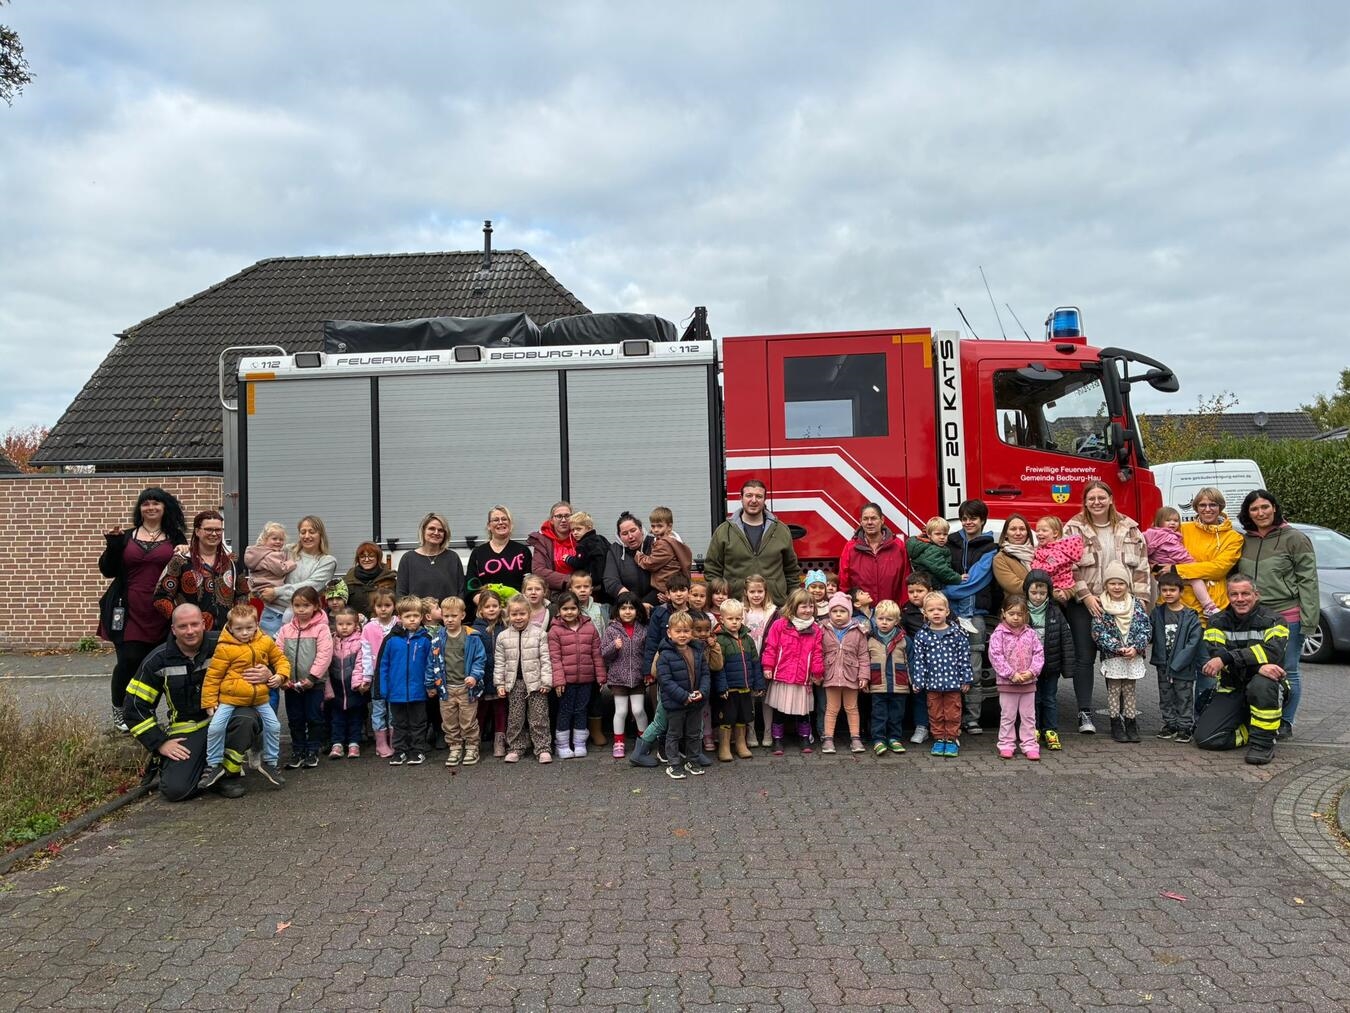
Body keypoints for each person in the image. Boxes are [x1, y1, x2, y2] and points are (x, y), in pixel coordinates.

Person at [123, 604, 275, 801]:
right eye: (183, 626)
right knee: (176, 790)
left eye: (194, 624)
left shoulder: (226, 643)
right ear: (173, 629)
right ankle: (202, 767)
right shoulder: (157, 660)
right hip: (188, 729)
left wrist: (269, 673)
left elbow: (267, 652)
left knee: (247, 718)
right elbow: (134, 707)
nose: (190, 631)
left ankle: (227, 775)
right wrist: (160, 743)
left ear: (204, 623)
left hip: (227, 719)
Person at [1061, 482, 1149, 735]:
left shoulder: (1130, 527)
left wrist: (1140, 602)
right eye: (1092, 498)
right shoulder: (1073, 528)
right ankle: (1085, 712)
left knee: (1121, 656)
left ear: (1111, 499)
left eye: (1102, 497)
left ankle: (1122, 715)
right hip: (1087, 603)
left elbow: (1142, 566)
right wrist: (1086, 595)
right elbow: (1069, 566)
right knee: (1084, 658)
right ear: (1085, 502)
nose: (1097, 502)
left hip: (1124, 604)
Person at [100, 486, 188, 732]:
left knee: (158, 666)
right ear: (140, 509)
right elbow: (108, 571)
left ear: (164, 507)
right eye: (145, 503)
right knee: (128, 661)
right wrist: (114, 545)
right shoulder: (127, 536)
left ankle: (143, 713)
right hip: (129, 609)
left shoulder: (176, 537)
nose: (150, 507)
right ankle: (120, 711)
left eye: (156, 503)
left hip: (162, 609)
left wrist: (184, 550)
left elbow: (185, 569)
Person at [1235, 488, 1319, 738]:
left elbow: (1308, 580)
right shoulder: (1244, 540)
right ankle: (1259, 717)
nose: (1260, 513)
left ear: (1274, 508)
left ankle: (1286, 721)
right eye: (1254, 509)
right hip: (1253, 616)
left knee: (1288, 669)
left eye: (1265, 507)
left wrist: (1309, 620)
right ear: (1247, 513)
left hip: (1287, 615)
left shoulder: (1295, 538)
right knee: (1255, 667)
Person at [1195, 574, 1289, 765]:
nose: (1240, 599)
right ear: (1228, 596)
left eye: (1245, 593)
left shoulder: (1275, 621)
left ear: (1256, 595)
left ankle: (1262, 744)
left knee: (1263, 683)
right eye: (1234, 594)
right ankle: (1250, 727)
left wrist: (1228, 658)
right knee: (1206, 739)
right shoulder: (1216, 622)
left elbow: (1273, 653)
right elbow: (1216, 655)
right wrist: (1256, 666)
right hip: (1232, 687)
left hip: (1267, 688)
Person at [197, 603, 289, 790]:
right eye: (239, 629)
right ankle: (214, 765)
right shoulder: (225, 648)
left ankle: (270, 762)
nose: (245, 633)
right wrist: (209, 702)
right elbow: (213, 676)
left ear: (257, 625)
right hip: (230, 699)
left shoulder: (265, 641)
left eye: (249, 628)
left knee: (274, 726)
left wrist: (280, 676)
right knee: (215, 727)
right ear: (230, 627)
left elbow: (281, 659)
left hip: (260, 698)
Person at [944, 499, 1000, 736]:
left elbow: (976, 582)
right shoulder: (949, 543)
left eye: (973, 518)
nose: (968, 522)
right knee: (946, 670)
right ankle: (951, 720)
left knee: (974, 672)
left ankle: (972, 720)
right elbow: (937, 572)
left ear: (982, 520)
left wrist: (946, 590)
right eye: (965, 517)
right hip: (949, 615)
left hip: (975, 615)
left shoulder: (991, 548)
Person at [703, 479, 801, 601]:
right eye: (749, 495)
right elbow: (712, 569)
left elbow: (791, 571)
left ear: (764, 499)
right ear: (741, 498)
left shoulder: (781, 530)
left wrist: (792, 602)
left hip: (775, 605)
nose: (753, 500)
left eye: (759, 496)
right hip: (735, 608)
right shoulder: (724, 531)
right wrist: (721, 599)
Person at [1090, 562, 1151, 743]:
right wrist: (1116, 648)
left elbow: (1145, 628)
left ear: (1127, 585)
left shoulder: (1136, 604)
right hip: (1114, 656)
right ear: (1106, 585)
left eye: (1121, 583)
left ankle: (1131, 723)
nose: (1117, 587)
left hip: (1132, 654)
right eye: (1112, 583)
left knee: (1130, 690)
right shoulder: (1100, 604)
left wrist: (1136, 647)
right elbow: (1098, 631)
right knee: (1114, 690)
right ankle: (1115, 723)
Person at [908, 591, 974, 758]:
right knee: (935, 712)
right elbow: (919, 661)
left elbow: (964, 658)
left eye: (939, 609)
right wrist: (918, 681)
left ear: (947, 611)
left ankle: (951, 738)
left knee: (952, 712)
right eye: (931, 610)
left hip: (953, 683)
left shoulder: (958, 633)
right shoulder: (922, 635)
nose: (936, 613)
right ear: (924, 613)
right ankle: (939, 738)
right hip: (932, 684)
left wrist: (966, 678)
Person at [761, 588, 824, 756]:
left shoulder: (816, 629)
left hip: (802, 677)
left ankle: (804, 737)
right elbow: (771, 647)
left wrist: (817, 672)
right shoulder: (780, 625)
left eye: (811, 606)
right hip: (782, 675)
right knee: (779, 711)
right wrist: (768, 666)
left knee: (803, 711)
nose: (808, 610)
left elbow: (817, 653)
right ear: (793, 607)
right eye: (803, 606)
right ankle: (777, 739)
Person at [276, 586, 333, 768]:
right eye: (297, 605)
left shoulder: (322, 629)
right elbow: (277, 653)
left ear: (316, 606)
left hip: (313, 684)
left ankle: (312, 750)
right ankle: (297, 750)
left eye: (306, 605)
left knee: (314, 717)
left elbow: (324, 654)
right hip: (291, 685)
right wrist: (283, 677)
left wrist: (312, 677)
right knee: (295, 718)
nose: (301, 609)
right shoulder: (286, 630)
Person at [376, 596, 435, 766]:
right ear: (400, 617)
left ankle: (417, 750)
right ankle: (400, 750)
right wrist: (383, 689)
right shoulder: (391, 639)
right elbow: (383, 665)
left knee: (418, 722)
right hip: (396, 691)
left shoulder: (426, 640)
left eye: (416, 616)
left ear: (421, 617)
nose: (412, 619)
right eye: (408, 616)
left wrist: (430, 685)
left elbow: (431, 664)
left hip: (418, 690)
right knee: (399, 723)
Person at [547, 590, 606, 759]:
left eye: (573, 608)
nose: (569, 612)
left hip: (586, 679)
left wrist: (601, 676)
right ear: (559, 610)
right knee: (565, 711)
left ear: (579, 609)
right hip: (566, 680)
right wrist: (558, 681)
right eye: (565, 609)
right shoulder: (555, 631)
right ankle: (563, 744)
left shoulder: (589, 627)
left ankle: (579, 742)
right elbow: (555, 658)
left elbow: (597, 653)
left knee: (581, 710)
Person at [427, 596, 485, 767]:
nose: (450, 620)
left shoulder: (471, 636)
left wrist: (474, 676)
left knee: (468, 721)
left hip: (467, 688)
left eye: (453, 616)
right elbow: (432, 662)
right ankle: (455, 747)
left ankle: (472, 746)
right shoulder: (438, 637)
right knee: (449, 721)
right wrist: (430, 684)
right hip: (446, 689)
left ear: (462, 615)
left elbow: (479, 659)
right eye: (446, 616)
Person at [496, 595, 554, 764]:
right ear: (508, 615)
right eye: (514, 614)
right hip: (514, 684)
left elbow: (545, 659)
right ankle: (515, 747)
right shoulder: (503, 637)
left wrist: (546, 682)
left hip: (536, 684)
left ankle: (543, 748)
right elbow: (500, 663)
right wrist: (500, 683)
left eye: (522, 613)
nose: (518, 617)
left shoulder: (539, 634)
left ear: (529, 614)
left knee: (539, 718)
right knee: (515, 718)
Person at [1170, 489, 1244, 621]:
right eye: (1202, 505)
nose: (1208, 509)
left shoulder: (1234, 537)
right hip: (1179, 606)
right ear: (1196, 508)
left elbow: (1218, 569)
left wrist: (1177, 570)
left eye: (1213, 505)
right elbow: (1162, 555)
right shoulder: (1182, 529)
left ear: (1220, 507)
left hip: (1214, 608)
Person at [1022, 570, 1074, 752]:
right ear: (1026, 591)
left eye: (1042, 593)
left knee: (1050, 698)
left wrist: (1068, 667)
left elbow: (1065, 639)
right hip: (1028, 667)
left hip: (1051, 665)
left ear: (1048, 593)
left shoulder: (1055, 611)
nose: (1038, 597)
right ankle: (1033, 729)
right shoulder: (1021, 610)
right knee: (1033, 699)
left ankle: (1051, 730)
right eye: (1034, 593)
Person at [655, 611, 710, 780]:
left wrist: (702, 692)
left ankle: (692, 760)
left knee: (694, 733)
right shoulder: (665, 655)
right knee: (674, 734)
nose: (682, 635)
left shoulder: (698, 652)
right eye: (678, 631)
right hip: (676, 703)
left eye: (686, 631)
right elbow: (665, 680)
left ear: (691, 632)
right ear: (669, 632)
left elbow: (706, 675)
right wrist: (683, 696)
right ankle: (673, 764)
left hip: (696, 702)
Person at [988, 596, 1043, 761]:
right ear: (1004, 613)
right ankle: (1006, 744)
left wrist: (1032, 671)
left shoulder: (1031, 634)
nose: (1016, 617)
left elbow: (1039, 654)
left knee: (1028, 716)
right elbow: (996, 656)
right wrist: (1011, 674)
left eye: (1020, 614)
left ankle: (1030, 745)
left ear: (1026, 615)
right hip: (1007, 683)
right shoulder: (998, 634)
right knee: (1008, 716)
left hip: (1028, 683)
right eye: (1012, 613)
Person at [1150, 572, 1203, 743]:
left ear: (1181, 592)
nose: (1168, 593)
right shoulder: (1157, 613)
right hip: (1163, 664)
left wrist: (1179, 663)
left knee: (1184, 696)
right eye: (1164, 590)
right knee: (1165, 695)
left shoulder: (1190, 616)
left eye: (1172, 590)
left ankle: (1185, 726)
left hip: (1183, 666)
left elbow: (1193, 642)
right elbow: (1148, 633)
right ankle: (1170, 724)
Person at [819, 591, 871, 755]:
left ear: (849, 613)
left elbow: (863, 655)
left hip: (851, 675)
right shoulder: (823, 629)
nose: (838, 615)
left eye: (842, 611)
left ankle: (855, 738)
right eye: (834, 611)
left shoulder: (858, 630)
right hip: (831, 674)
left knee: (852, 708)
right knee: (831, 709)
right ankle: (828, 738)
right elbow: (818, 653)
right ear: (829, 612)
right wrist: (818, 672)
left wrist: (864, 676)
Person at [1144, 507, 1220, 617]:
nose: (1172, 523)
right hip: (1169, 571)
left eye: (1176, 521)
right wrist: (1193, 566)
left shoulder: (1151, 534)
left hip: (1159, 571)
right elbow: (1179, 554)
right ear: (1159, 521)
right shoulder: (1168, 537)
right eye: (1168, 520)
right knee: (1196, 580)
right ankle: (1208, 606)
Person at [713, 599, 764, 762]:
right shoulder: (720, 640)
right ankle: (724, 746)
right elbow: (718, 667)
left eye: (738, 618)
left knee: (743, 717)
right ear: (722, 619)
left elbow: (755, 663)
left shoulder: (748, 639)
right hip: (729, 689)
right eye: (730, 619)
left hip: (745, 688)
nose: (735, 622)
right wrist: (721, 687)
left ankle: (741, 744)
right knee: (727, 718)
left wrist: (758, 683)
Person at [601, 591, 649, 759]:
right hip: (618, 678)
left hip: (637, 677)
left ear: (637, 611)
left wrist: (647, 672)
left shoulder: (643, 630)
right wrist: (614, 646)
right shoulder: (611, 630)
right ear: (617, 610)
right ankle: (619, 742)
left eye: (631, 608)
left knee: (638, 710)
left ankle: (644, 740)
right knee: (620, 711)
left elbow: (647, 654)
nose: (627, 612)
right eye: (623, 608)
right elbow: (604, 654)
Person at [837, 502, 910, 607]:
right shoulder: (850, 548)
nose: (869, 522)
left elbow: (905, 579)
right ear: (861, 522)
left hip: (891, 614)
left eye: (873, 518)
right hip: (861, 614)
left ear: (882, 520)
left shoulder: (898, 546)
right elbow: (844, 583)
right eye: (865, 519)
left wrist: (903, 608)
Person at [466, 505, 531, 619]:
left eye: (504, 519)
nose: (501, 522)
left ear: (510, 524)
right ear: (489, 526)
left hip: (516, 614)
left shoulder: (522, 551)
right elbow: (471, 586)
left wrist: (513, 609)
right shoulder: (478, 553)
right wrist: (488, 608)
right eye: (496, 520)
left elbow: (528, 584)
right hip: (487, 614)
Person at [325, 606, 368, 759]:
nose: (344, 627)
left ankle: (354, 743)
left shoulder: (360, 641)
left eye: (348, 624)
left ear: (356, 625)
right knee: (337, 718)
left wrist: (358, 683)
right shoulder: (330, 641)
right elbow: (326, 666)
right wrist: (328, 688)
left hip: (353, 687)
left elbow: (361, 663)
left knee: (355, 717)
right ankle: (337, 743)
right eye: (340, 624)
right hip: (336, 687)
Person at [867, 599, 909, 756]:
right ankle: (878, 739)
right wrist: (864, 679)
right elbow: (865, 662)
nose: (884, 622)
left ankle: (894, 738)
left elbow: (910, 661)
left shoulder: (904, 639)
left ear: (897, 621)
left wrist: (914, 681)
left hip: (899, 684)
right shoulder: (870, 639)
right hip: (878, 684)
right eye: (880, 618)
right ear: (875, 619)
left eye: (889, 619)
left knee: (896, 714)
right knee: (878, 713)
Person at [471, 588, 509, 758]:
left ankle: (499, 740)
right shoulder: (475, 629)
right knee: (481, 709)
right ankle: (475, 740)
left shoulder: (506, 627)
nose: (492, 609)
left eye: (495, 606)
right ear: (481, 610)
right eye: (488, 606)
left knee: (500, 709)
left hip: (501, 675)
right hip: (482, 675)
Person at [361, 590, 399, 758]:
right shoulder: (368, 628)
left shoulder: (399, 625)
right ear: (374, 607)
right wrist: (367, 676)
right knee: (378, 709)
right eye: (379, 606)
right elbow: (366, 653)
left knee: (394, 709)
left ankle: (394, 741)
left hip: (396, 675)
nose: (383, 609)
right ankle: (381, 743)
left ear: (394, 606)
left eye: (387, 605)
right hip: (377, 676)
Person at [397, 512, 464, 603]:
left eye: (441, 530)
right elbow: (401, 595)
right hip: (417, 616)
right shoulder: (408, 559)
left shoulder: (453, 558)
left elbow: (461, 592)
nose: (436, 533)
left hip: (448, 616)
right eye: (431, 528)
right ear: (423, 530)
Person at [243, 522, 296, 636]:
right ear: (265, 540)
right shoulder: (271, 555)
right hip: (269, 586)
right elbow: (281, 569)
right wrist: (292, 563)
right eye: (274, 539)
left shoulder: (258, 553)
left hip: (259, 587)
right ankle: (284, 629)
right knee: (292, 606)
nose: (278, 542)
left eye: (281, 539)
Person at [900, 573, 932, 744]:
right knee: (919, 694)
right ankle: (921, 727)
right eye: (911, 591)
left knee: (941, 695)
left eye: (920, 590)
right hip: (917, 662)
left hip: (940, 661)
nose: (915, 595)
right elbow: (902, 635)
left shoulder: (940, 606)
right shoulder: (906, 611)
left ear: (930, 591)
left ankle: (942, 727)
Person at [635, 506, 694, 596]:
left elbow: (651, 563)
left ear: (669, 526)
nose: (655, 530)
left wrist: (639, 556)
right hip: (671, 585)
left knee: (643, 606)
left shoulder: (664, 544)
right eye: (653, 526)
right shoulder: (674, 540)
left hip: (663, 586)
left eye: (659, 526)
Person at [603, 511, 655, 610]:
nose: (630, 536)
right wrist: (634, 604)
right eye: (625, 533)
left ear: (641, 529)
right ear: (619, 536)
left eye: (633, 530)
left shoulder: (655, 544)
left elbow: (664, 578)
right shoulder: (615, 550)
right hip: (626, 607)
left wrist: (643, 605)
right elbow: (610, 581)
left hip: (654, 605)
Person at [1031, 516, 1083, 606]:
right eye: (1038, 530)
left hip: (1061, 587)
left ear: (1055, 533)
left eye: (1044, 530)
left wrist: (1034, 564)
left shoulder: (1056, 550)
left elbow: (1051, 568)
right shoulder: (1045, 548)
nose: (1039, 533)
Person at [564, 511, 613, 605]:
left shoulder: (583, 544)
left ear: (589, 528)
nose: (575, 533)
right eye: (573, 530)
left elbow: (579, 562)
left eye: (578, 529)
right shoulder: (601, 539)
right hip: (606, 579)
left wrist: (568, 559)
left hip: (593, 581)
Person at [529, 501, 577, 592]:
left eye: (567, 516)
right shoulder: (542, 540)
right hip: (554, 592)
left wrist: (580, 584)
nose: (563, 520)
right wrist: (570, 581)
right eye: (559, 516)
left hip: (581, 590)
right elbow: (538, 570)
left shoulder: (582, 538)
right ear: (551, 520)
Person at [905, 517, 963, 590]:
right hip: (933, 586)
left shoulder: (930, 546)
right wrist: (958, 578)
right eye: (938, 534)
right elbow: (941, 569)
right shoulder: (932, 550)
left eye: (945, 534)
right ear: (929, 535)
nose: (942, 537)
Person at [343, 542, 397, 619]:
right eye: (362, 557)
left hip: (383, 626)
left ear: (378, 558)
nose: (367, 559)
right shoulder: (347, 580)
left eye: (371, 556)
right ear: (358, 559)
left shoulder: (390, 580)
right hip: (354, 627)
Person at [992, 514, 1036, 600]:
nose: (1018, 533)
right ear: (1006, 534)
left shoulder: (1038, 553)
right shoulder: (1000, 558)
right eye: (1013, 529)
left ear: (1028, 533)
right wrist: (1044, 589)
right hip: (1017, 610)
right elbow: (1014, 586)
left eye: (1022, 529)